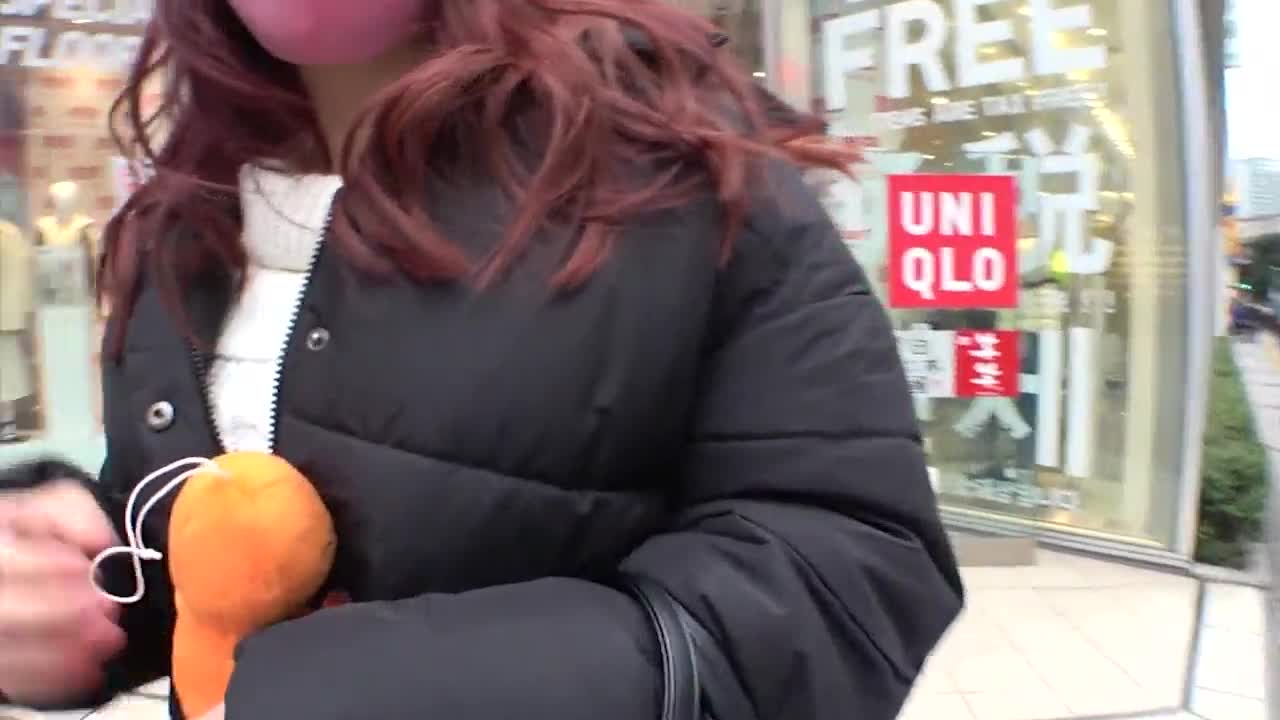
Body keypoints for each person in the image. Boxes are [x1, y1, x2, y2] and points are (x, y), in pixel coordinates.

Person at [0, 1, 963, 719]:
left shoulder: (671, 160)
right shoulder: (186, 212)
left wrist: (355, 692)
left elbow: (847, 576)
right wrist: (78, 589)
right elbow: (192, 541)